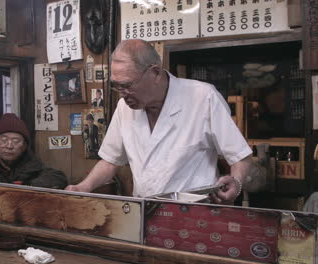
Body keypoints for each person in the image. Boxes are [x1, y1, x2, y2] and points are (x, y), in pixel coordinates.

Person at [66, 39, 252, 204]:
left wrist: (236, 182)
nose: (122, 94)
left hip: (195, 212)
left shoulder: (203, 98)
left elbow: (240, 156)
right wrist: (84, 187)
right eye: (117, 86)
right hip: (144, 212)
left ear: (155, 73)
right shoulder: (124, 107)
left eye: (128, 85)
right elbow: (110, 162)